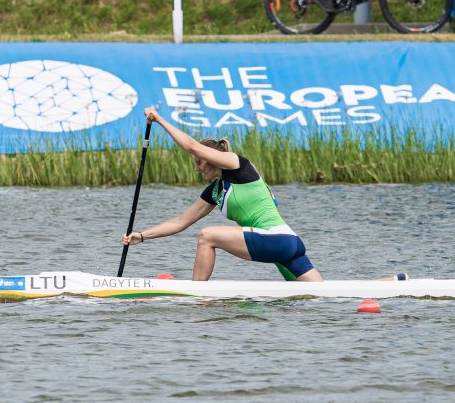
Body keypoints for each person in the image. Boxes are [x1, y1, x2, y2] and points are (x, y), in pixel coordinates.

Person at [120, 107, 324, 282]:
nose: (198, 169)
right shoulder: (215, 190)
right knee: (319, 295)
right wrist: (142, 236)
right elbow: (181, 222)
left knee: (207, 236)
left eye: (199, 162)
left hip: (276, 239)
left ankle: (196, 295)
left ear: (211, 158)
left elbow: (192, 147)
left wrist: (160, 120)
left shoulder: (238, 165)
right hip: (286, 244)